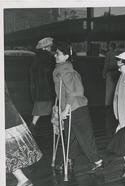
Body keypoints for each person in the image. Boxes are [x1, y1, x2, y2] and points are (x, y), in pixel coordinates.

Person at [52, 41, 104, 173]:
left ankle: (97, 162)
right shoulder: (68, 68)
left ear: (66, 56)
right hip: (73, 107)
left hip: (75, 108)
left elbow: (71, 91)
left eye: (58, 54)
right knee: (71, 136)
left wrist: (66, 109)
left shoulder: (64, 70)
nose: (55, 56)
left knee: (85, 136)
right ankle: (68, 160)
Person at [5, 83, 43, 186]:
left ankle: (22, 179)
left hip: (7, 117)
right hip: (8, 114)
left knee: (8, 152)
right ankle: (22, 179)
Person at [29, 37, 56, 136]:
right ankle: (56, 129)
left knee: (38, 109)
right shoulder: (50, 57)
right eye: (50, 46)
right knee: (54, 107)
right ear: (46, 47)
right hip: (48, 87)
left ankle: (32, 125)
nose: (51, 48)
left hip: (38, 87)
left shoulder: (36, 57)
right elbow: (53, 72)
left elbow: (32, 72)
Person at [102, 42, 119, 107]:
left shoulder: (108, 54)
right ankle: (114, 103)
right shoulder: (117, 54)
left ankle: (108, 103)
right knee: (115, 88)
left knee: (109, 89)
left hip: (109, 72)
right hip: (117, 72)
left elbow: (106, 64)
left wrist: (103, 73)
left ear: (111, 47)